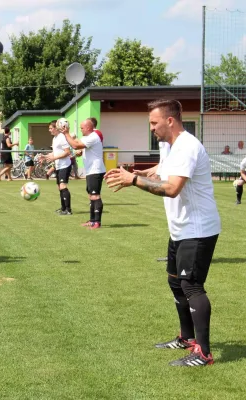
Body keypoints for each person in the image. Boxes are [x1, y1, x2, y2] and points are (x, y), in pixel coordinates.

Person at [105, 99, 220, 367]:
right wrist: (138, 172)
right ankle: (186, 338)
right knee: (174, 281)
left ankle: (203, 353)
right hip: (180, 228)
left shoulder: (188, 146)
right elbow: (161, 170)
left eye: (154, 123)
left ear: (170, 120)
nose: (152, 128)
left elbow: (171, 188)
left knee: (192, 286)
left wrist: (133, 181)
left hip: (198, 229)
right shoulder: (169, 145)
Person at [64, 118, 105, 228]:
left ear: (88, 128)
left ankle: (97, 222)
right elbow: (80, 147)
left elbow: (75, 145)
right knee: (91, 195)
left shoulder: (94, 136)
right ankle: (92, 220)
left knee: (95, 196)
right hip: (91, 171)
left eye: (82, 128)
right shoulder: (88, 137)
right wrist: (79, 153)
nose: (81, 130)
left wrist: (66, 133)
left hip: (95, 170)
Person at [45, 120, 73, 215]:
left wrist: (54, 157)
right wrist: (45, 157)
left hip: (65, 165)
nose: (49, 130)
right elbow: (56, 152)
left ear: (56, 128)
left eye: (51, 128)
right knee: (59, 187)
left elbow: (67, 152)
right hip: (58, 166)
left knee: (63, 186)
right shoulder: (55, 138)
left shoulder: (62, 137)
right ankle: (63, 208)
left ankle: (68, 210)